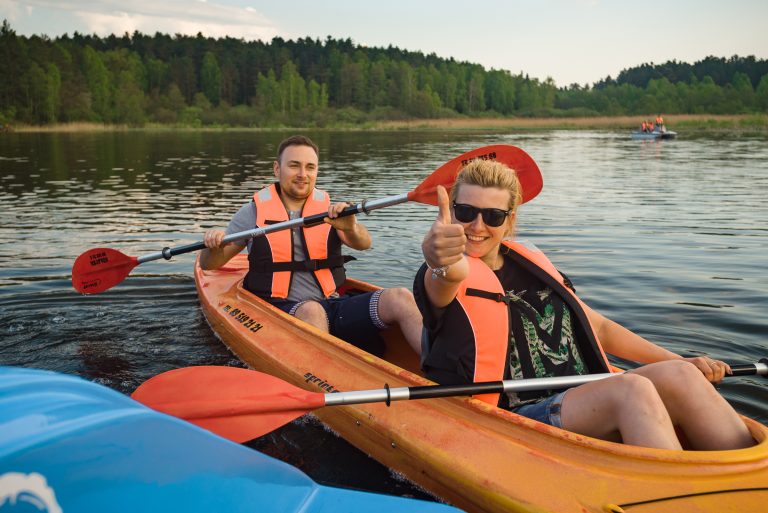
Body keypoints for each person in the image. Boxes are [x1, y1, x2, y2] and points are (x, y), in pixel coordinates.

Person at [415, 157, 755, 450]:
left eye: (492, 215)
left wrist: (686, 361)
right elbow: (446, 274)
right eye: (465, 212)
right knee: (631, 388)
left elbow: (600, 327)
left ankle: (748, 479)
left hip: (582, 396)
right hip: (515, 413)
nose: (476, 226)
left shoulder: (532, 264)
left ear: (510, 219)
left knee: (681, 374)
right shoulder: (445, 274)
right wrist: (439, 258)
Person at [201, 135, 423, 357]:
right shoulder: (253, 213)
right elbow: (211, 264)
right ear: (277, 169)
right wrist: (213, 246)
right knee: (311, 310)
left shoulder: (330, 210)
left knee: (400, 297)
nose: (302, 174)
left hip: (333, 305)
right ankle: (330, 379)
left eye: (310, 167)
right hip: (278, 311)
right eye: (294, 166)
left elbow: (364, 244)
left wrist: (350, 228)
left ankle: (445, 372)